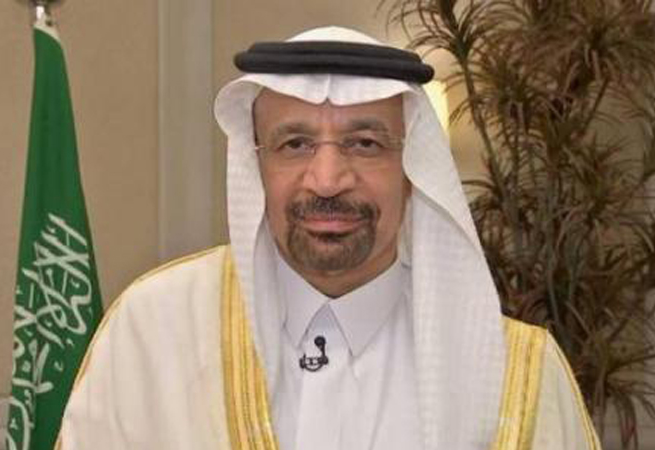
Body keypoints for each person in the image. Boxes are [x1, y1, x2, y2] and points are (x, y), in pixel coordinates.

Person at [58, 26, 601, 450]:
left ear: (413, 169)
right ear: (256, 165)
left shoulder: (517, 375)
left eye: (365, 144)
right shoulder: (152, 332)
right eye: (294, 144)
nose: (327, 180)